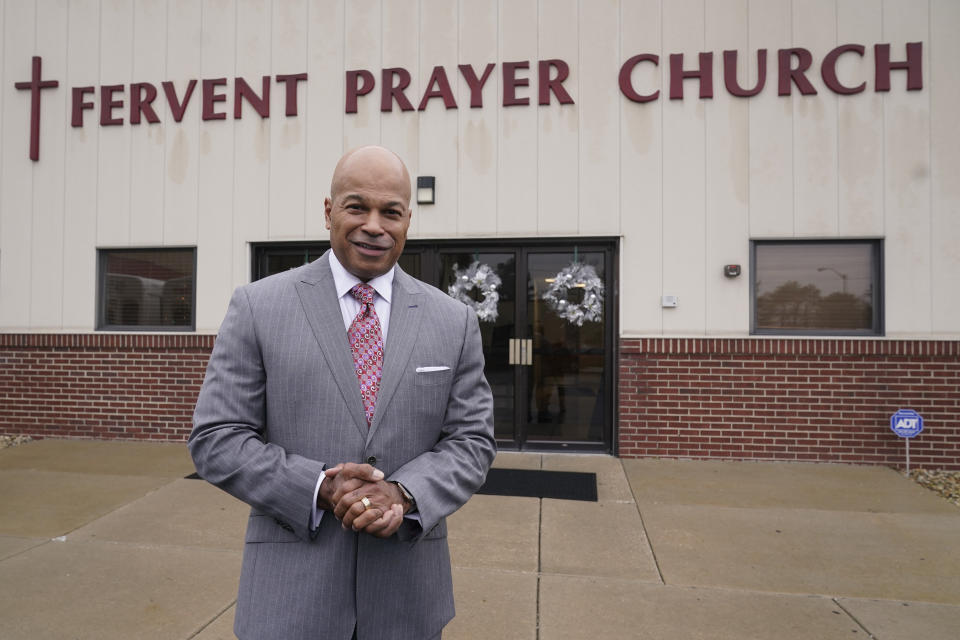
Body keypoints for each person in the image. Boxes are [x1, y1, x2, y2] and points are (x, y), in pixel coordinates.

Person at [189, 145, 496, 640]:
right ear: (328, 210)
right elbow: (217, 439)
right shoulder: (258, 307)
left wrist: (404, 492)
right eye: (357, 206)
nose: (374, 225)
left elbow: (473, 443)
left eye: (390, 211)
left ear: (407, 221)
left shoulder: (453, 321)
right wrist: (319, 488)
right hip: (290, 600)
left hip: (407, 603)